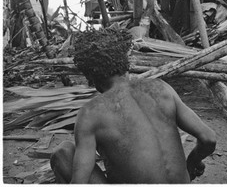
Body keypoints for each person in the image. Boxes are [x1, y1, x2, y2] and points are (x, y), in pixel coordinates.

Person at [50, 28, 216, 183]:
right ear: (124, 63)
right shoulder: (161, 88)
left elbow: (79, 182)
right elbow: (208, 138)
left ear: (89, 76)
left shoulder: (90, 113)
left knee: (63, 154)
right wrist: (192, 162)